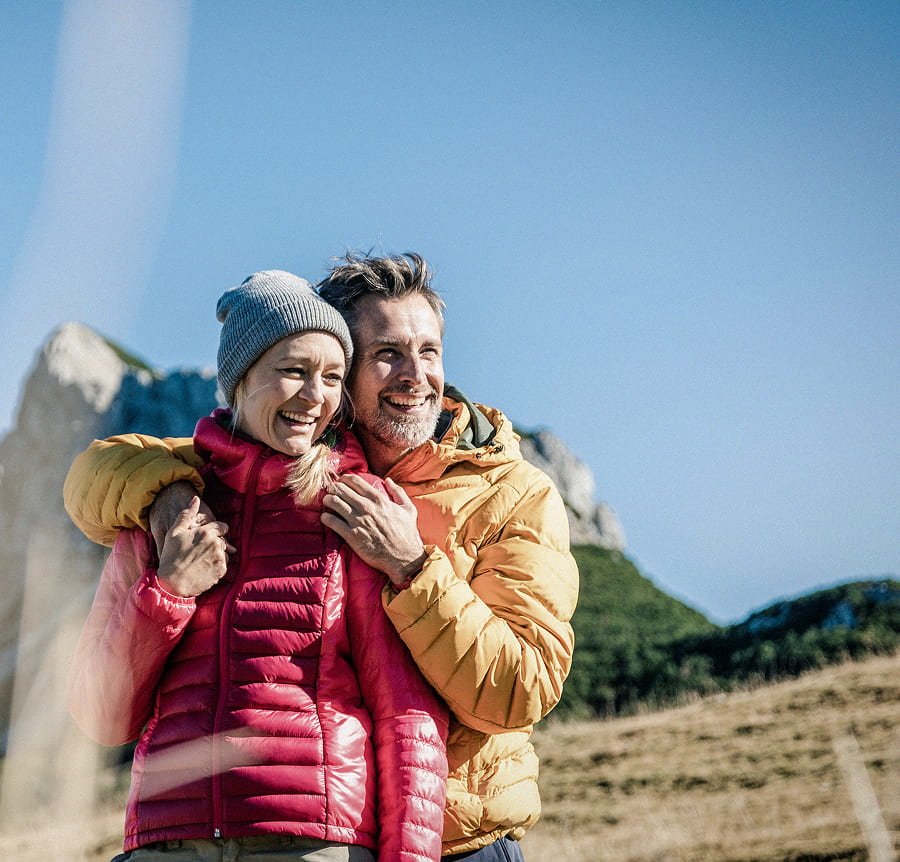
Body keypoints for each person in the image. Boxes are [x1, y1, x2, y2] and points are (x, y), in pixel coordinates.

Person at [64, 253, 579, 861]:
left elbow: (514, 691)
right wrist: (168, 497)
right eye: (387, 352)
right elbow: (100, 469)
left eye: (430, 351)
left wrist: (412, 567)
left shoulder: (510, 491)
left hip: (463, 837)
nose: (416, 374)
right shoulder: (245, 484)